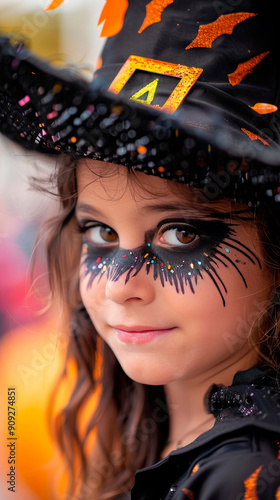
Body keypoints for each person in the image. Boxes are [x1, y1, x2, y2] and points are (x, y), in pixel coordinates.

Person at [1, 1, 280, 499]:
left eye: (180, 235)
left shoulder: (247, 476)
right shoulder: (153, 432)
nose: (117, 285)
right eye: (101, 235)